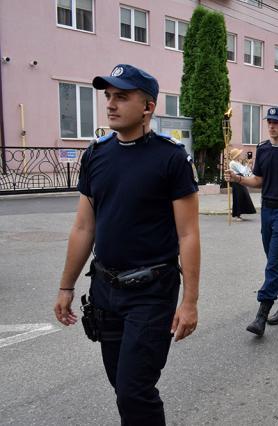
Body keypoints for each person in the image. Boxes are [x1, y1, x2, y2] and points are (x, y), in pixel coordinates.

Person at [53, 64, 200, 425]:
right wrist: (66, 285)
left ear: (148, 106)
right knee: (122, 387)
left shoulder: (170, 158)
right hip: (105, 289)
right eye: (109, 96)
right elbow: (84, 227)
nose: (111, 104)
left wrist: (190, 302)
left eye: (122, 96)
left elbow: (188, 234)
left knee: (136, 390)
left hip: (152, 291)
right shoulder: (96, 155)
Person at [225, 106, 278, 336]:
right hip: (268, 211)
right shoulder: (262, 149)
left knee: (274, 262)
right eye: (269, 122)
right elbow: (259, 181)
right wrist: (238, 179)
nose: (272, 125)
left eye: (276, 122)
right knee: (276, 260)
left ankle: (261, 314)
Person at [228, 148, 256, 221]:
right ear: (236, 156)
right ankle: (237, 215)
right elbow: (242, 170)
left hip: (240, 180)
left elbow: (246, 172)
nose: (240, 155)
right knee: (238, 197)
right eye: (239, 154)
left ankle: (239, 214)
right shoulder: (233, 163)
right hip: (237, 181)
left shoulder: (237, 162)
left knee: (243, 196)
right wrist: (247, 165)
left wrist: (248, 165)